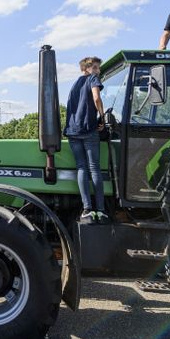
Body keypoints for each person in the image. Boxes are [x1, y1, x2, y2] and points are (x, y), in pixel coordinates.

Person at [64, 56, 107, 223]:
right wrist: (102, 118)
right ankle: (101, 210)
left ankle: (87, 209)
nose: (98, 71)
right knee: (94, 168)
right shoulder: (92, 79)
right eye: (96, 67)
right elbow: (96, 98)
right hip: (89, 129)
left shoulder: (74, 85)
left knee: (81, 167)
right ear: (87, 68)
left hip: (72, 131)